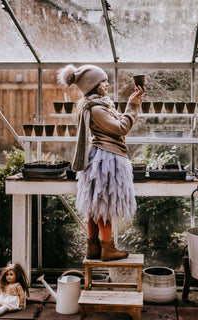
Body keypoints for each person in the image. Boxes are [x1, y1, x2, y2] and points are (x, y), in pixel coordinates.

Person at [57, 64, 145, 261]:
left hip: (100, 157)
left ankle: (93, 247)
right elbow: (121, 128)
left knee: (95, 206)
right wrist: (132, 106)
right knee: (103, 206)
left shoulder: (97, 105)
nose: (107, 84)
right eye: (103, 81)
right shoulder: (97, 108)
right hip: (107, 158)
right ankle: (107, 248)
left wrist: (133, 101)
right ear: (94, 85)